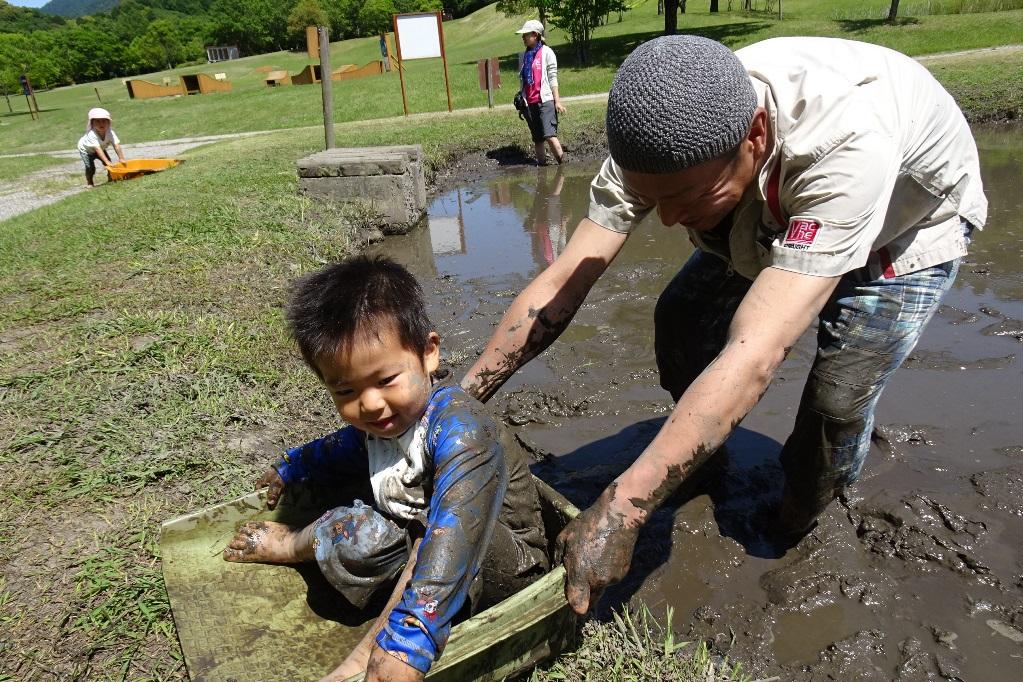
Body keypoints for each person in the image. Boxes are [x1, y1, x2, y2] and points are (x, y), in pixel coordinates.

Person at [460, 35, 987, 616]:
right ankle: (699, 452)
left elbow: (757, 349)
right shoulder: (662, 126)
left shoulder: (842, 145)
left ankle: (801, 512)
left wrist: (624, 509)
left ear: (754, 136)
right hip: (770, 202)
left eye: (685, 196)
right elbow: (566, 280)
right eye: (649, 199)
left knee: (835, 400)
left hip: (907, 220)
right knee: (681, 320)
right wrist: (460, 402)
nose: (664, 220)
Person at [224, 257, 549, 682]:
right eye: (346, 390)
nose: (370, 403)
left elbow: (456, 528)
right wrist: (295, 465)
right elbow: (346, 448)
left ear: (428, 353)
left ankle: (366, 657)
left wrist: (408, 643)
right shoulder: (381, 422)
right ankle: (294, 545)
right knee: (354, 529)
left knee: (433, 531)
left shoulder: (462, 428)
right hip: (422, 546)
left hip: (500, 561)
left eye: (386, 380)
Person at [516, 20, 567, 166]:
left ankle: (562, 166)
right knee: (537, 139)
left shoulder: (547, 52)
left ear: (536, 35)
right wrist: (522, 99)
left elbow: (552, 78)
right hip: (529, 103)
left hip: (545, 101)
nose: (523, 37)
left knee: (550, 135)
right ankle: (542, 168)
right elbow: (523, 81)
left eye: (526, 34)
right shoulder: (523, 56)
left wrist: (557, 101)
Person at [76, 107, 125, 188]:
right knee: (90, 167)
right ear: (92, 123)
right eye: (97, 121)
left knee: (108, 162)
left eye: (104, 121)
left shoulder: (110, 132)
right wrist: (107, 162)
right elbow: (97, 149)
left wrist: (121, 158)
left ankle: (111, 177)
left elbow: (116, 145)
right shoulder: (91, 134)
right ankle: (90, 182)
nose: (101, 124)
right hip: (86, 150)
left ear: (108, 122)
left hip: (100, 149)